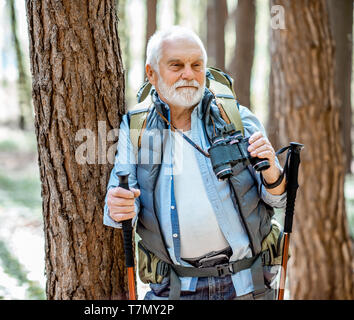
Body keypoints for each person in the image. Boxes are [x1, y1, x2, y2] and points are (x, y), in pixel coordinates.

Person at [103, 26, 287, 300]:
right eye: (176, 65)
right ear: (151, 73)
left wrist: (272, 168)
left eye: (196, 65)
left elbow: (278, 199)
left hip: (248, 284)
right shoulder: (136, 127)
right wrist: (117, 205)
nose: (188, 74)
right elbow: (120, 208)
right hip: (176, 289)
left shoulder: (235, 116)